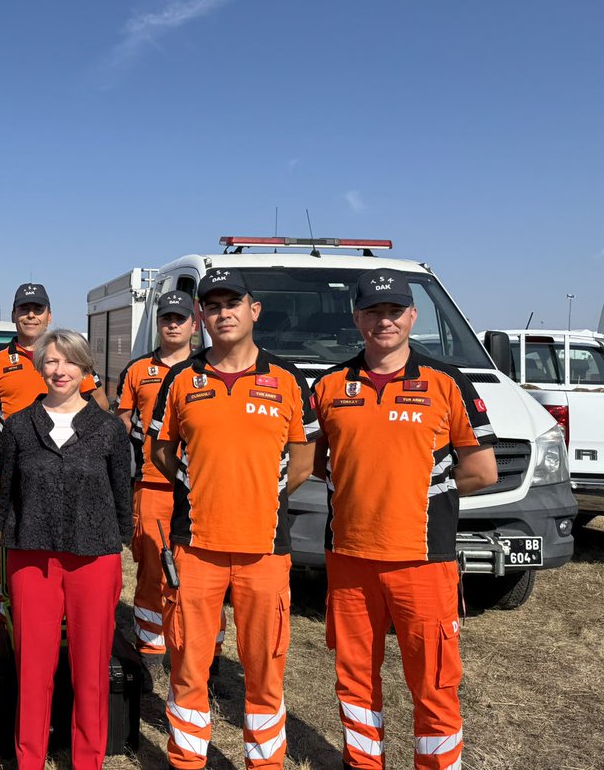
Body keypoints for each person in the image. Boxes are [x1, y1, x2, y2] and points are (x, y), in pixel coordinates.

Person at [310, 270, 498, 770]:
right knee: (354, 680)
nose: (384, 321)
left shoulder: (446, 382)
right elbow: (310, 465)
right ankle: (363, 763)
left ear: (413, 317)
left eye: (395, 311)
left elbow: (482, 471)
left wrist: (414, 491)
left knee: (434, 681)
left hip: (423, 559)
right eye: (373, 311)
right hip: (349, 559)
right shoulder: (329, 386)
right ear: (357, 319)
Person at [150, 268, 318, 770]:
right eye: (213, 305)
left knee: (264, 670)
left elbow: (304, 462)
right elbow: (162, 451)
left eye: (232, 303)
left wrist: (255, 494)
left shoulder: (288, 379)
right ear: (201, 314)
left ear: (253, 311)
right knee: (187, 669)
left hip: (265, 548)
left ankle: (263, 763)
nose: (223, 313)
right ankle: (187, 761)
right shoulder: (183, 378)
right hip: (195, 546)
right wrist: (205, 485)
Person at [0, 328, 132, 770]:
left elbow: (120, 495)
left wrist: (118, 540)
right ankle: (28, 759)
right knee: (34, 669)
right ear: (40, 367)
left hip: (94, 556)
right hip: (31, 556)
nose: (60, 370)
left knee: (90, 669)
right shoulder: (17, 427)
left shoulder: (109, 428)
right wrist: (5, 541)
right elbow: (8, 492)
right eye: (51, 361)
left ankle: (87, 760)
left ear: (85, 368)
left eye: (69, 361)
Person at [0, 283, 107, 622]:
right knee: (5, 539)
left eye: (38, 309)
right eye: (24, 309)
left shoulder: (67, 356)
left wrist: (77, 429)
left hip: (64, 468)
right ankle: (0, 618)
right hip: (13, 468)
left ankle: (55, 612)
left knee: (62, 537)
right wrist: (2, 424)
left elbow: (100, 402)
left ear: (49, 316)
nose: (31, 315)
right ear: (14, 314)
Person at [115, 291, 225, 682]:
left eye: (180, 318)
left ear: (195, 326)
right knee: (150, 571)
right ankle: (149, 651)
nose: (173, 325)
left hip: (200, 492)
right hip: (151, 484)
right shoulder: (137, 369)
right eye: (167, 319)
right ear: (159, 324)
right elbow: (124, 419)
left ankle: (209, 655)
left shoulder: (209, 370)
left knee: (205, 576)